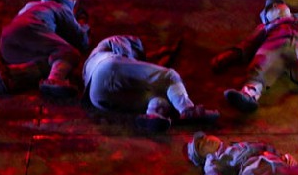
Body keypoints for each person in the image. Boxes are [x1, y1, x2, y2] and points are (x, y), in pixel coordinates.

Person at [83, 34, 217, 132]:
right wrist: (159, 54)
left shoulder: (95, 61)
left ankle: (154, 114)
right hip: (107, 69)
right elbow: (129, 59)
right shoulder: (121, 40)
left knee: (157, 96)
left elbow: (138, 68)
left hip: (97, 98)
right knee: (170, 76)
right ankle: (187, 110)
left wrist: (161, 54)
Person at [0, 0, 90, 100]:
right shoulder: (60, 7)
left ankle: (11, 75)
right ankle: (55, 79)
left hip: (7, 46)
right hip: (30, 28)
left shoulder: (30, 6)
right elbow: (82, 41)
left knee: (52, 62)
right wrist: (82, 24)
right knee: (70, 53)